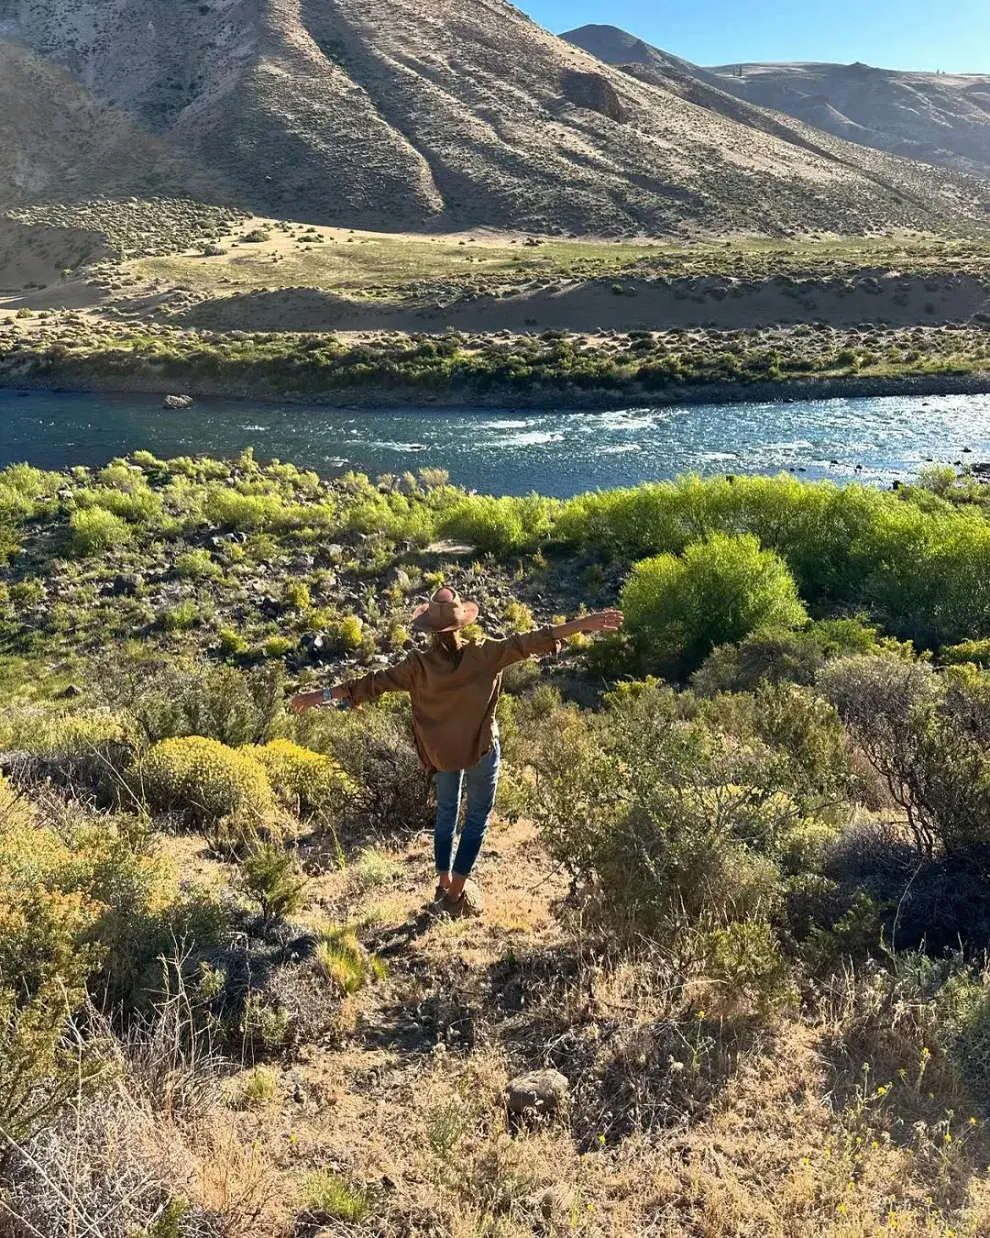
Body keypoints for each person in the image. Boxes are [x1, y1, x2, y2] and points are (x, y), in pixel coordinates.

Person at [291, 588, 623, 916]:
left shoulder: (416, 666)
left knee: (447, 813)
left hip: (443, 755)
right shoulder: (483, 654)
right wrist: (584, 622)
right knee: (477, 818)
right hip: (480, 748)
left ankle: (443, 880)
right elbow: (532, 640)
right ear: (462, 623)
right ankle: (455, 894)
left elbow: (368, 683)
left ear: (429, 630)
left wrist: (316, 696)